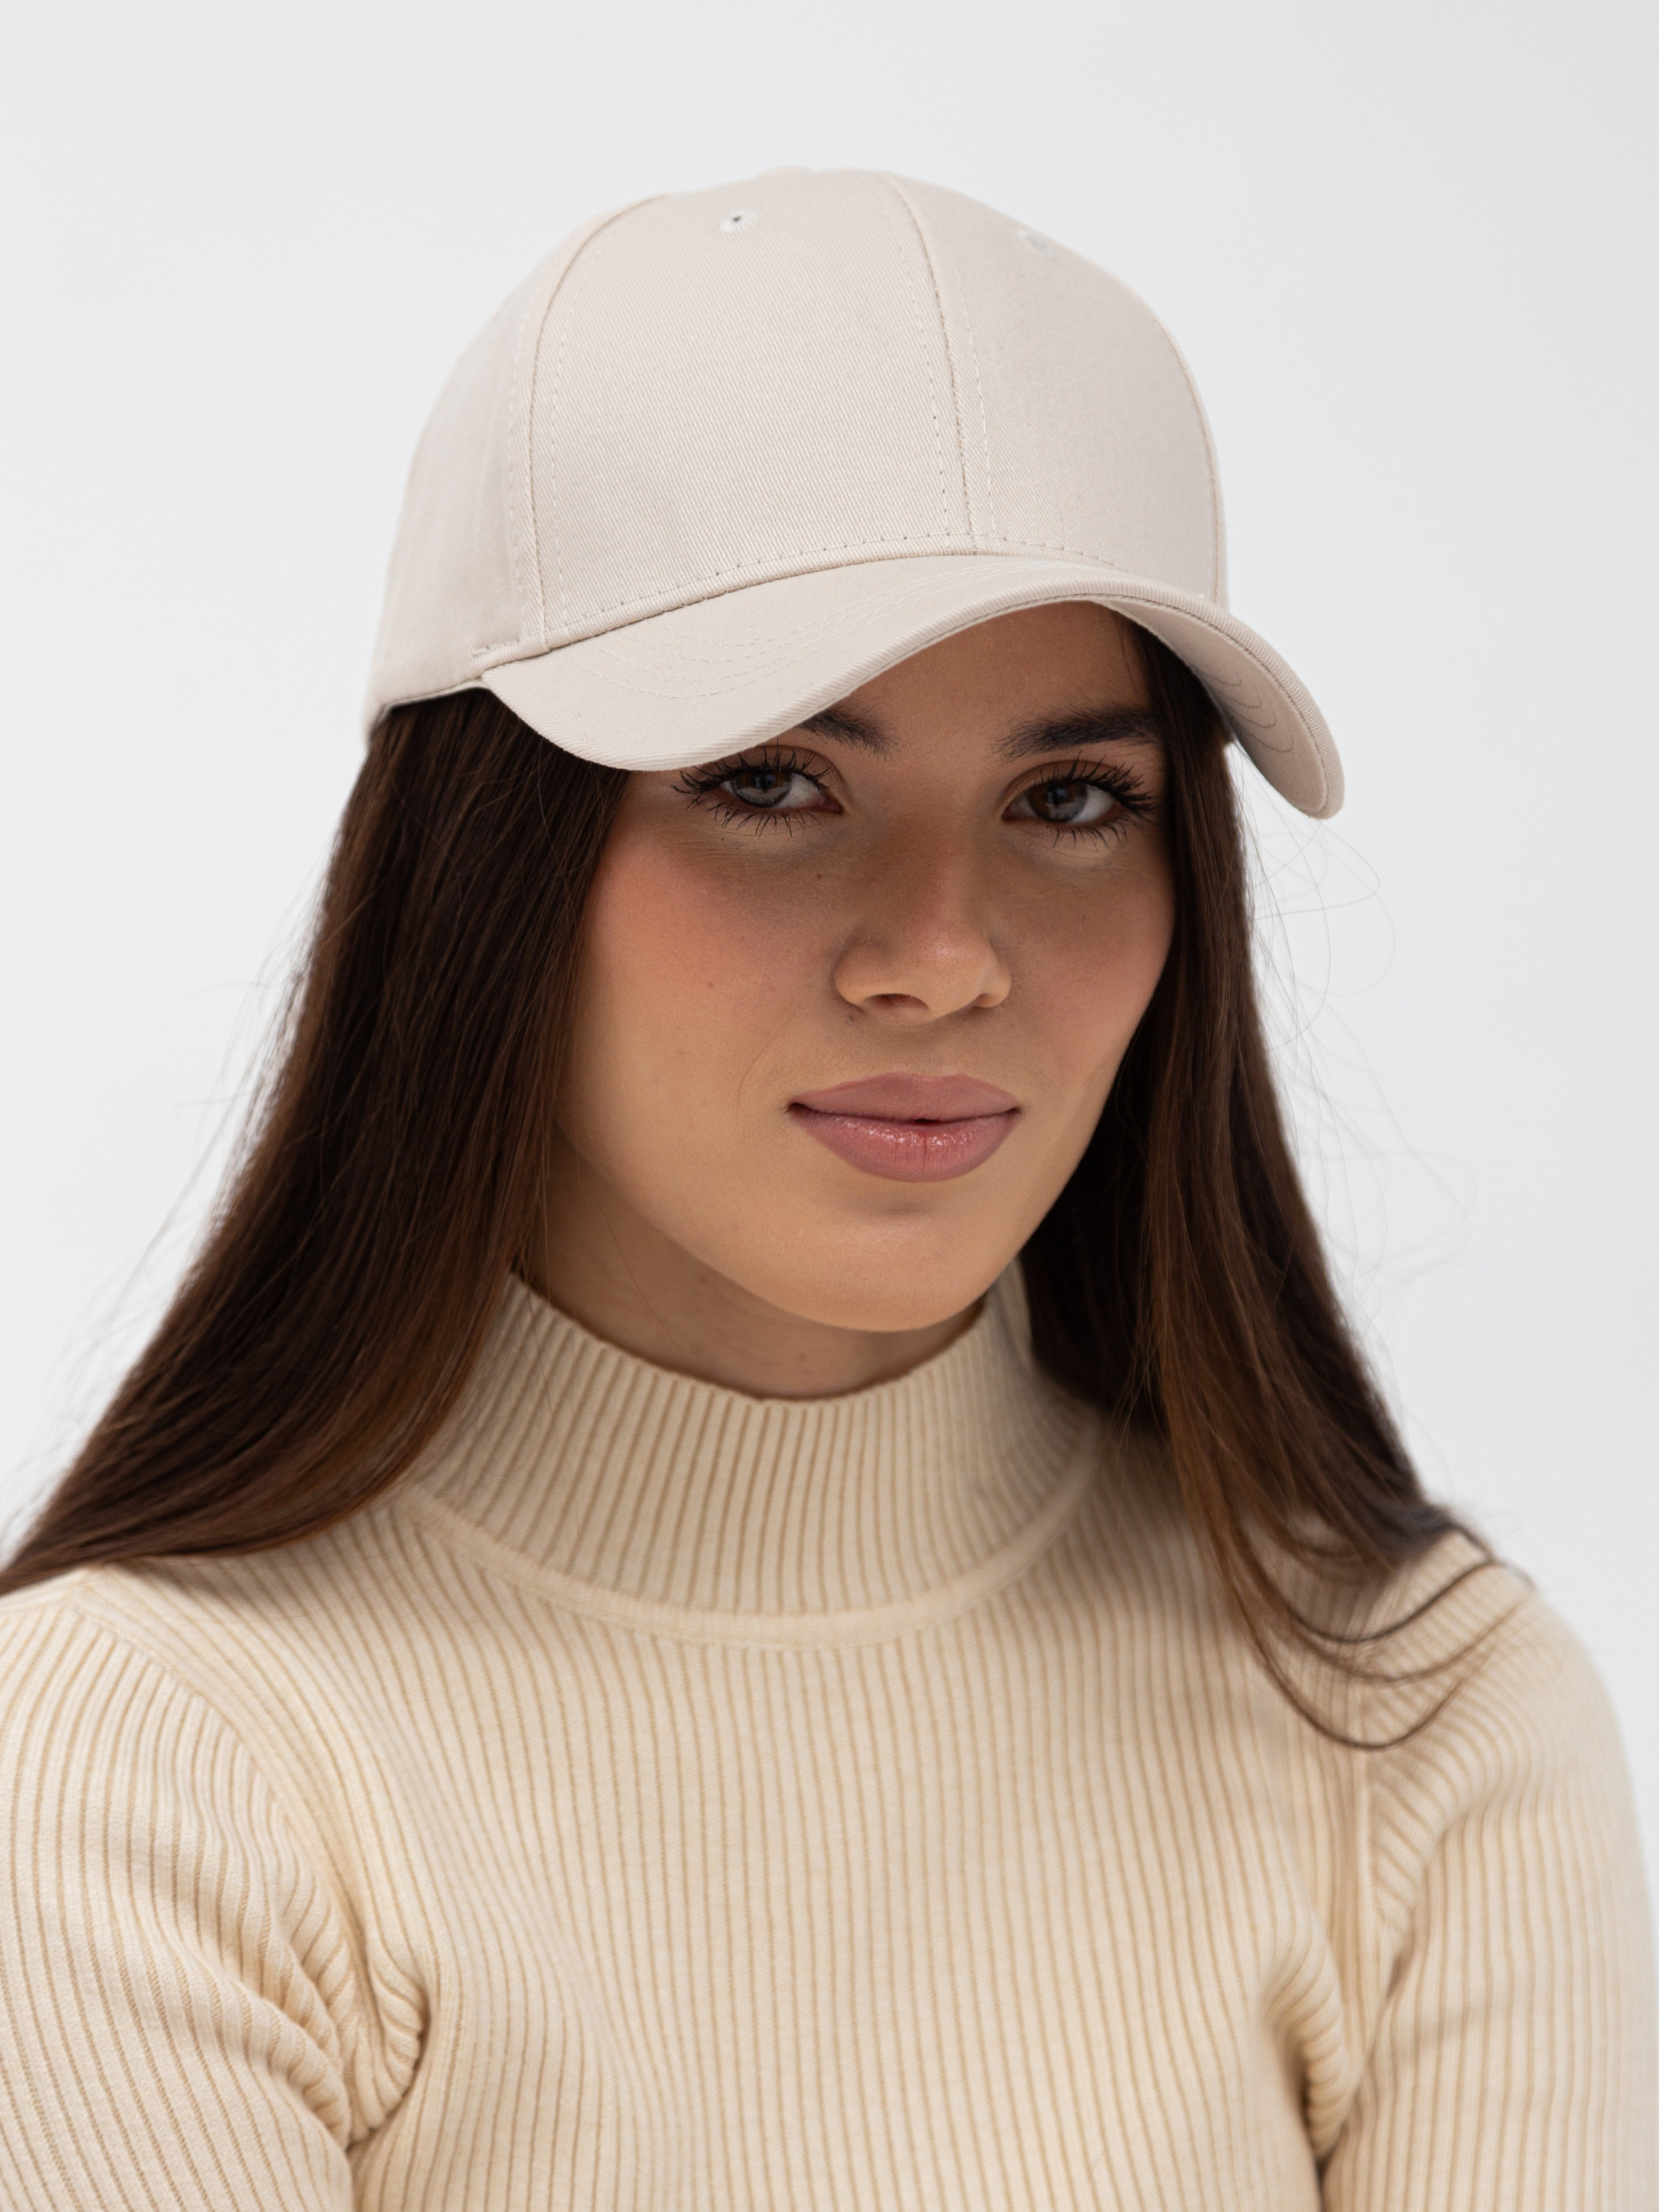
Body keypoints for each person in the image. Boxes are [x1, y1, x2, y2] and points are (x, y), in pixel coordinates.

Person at [0, 169, 1651, 2210]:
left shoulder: (1418, 1728)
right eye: (769, 782)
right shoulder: (140, 1772)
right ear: (484, 859)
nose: (939, 955)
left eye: (1070, 798)